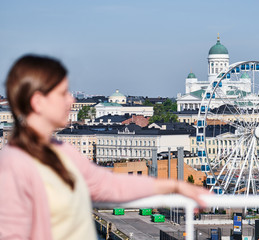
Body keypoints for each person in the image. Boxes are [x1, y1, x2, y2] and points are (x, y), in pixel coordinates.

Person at [0, 54, 210, 240]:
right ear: (38, 101)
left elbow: (110, 186)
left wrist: (174, 186)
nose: (72, 99)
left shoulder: (60, 151)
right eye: (63, 93)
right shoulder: (14, 165)